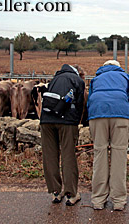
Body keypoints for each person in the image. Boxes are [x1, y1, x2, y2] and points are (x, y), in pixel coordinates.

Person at [87, 60, 129, 211]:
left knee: (100, 153)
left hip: (97, 114)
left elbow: (89, 100)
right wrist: (128, 116)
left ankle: (98, 200)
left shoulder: (96, 79)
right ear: (118, 67)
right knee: (119, 155)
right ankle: (119, 200)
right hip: (120, 114)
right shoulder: (126, 77)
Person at [40, 64, 85, 206]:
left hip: (46, 120)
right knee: (68, 155)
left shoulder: (55, 79)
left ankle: (55, 192)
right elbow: (80, 104)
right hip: (67, 122)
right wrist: (76, 121)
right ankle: (71, 194)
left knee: (50, 156)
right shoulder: (78, 81)